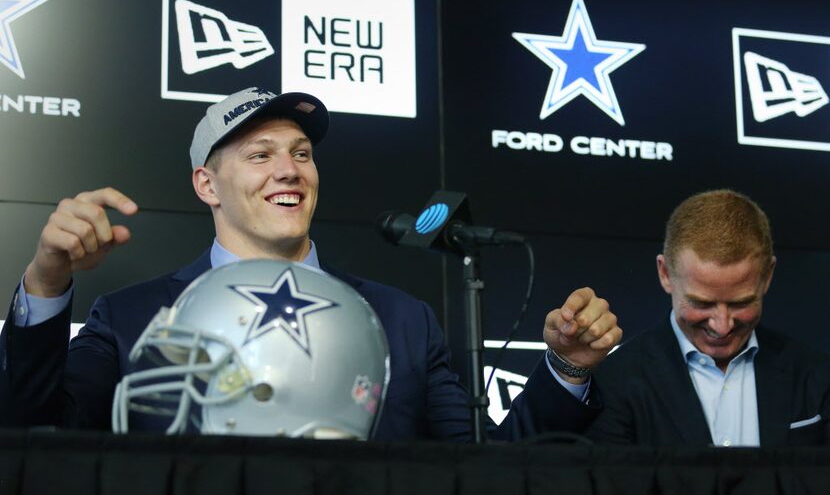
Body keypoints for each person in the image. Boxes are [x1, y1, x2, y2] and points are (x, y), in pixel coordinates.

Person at [0, 87, 622, 441]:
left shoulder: (403, 320)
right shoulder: (131, 316)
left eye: (301, 152)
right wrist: (48, 280)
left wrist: (565, 370)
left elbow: (483, 469)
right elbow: (35, 432)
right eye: (260, 153)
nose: (289, 170)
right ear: (207, 185)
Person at [588, 189, 830, 446]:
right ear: (665, 274)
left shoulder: (816, 375)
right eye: (702, 303)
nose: (722, 325)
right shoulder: (614, 381)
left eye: (741, 303)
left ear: (767, 276)